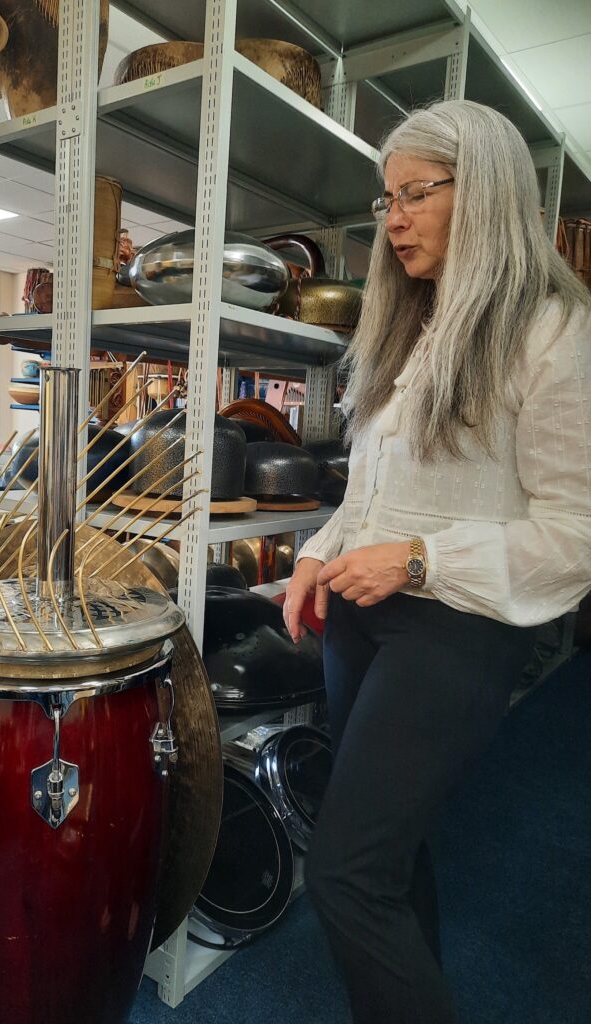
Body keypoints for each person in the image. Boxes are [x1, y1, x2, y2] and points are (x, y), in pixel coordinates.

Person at [282, 99, 591, 1024]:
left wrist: (417, 561)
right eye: (387, 201)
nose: (396, 219)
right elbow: (368, 497)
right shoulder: (407, 333)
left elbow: (577, 530)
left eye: (418, 193)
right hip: (362, 617)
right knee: (390, 855)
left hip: (456, 628)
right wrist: (318, 553)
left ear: (486, 192)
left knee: (342, 875)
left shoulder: (550, 330)